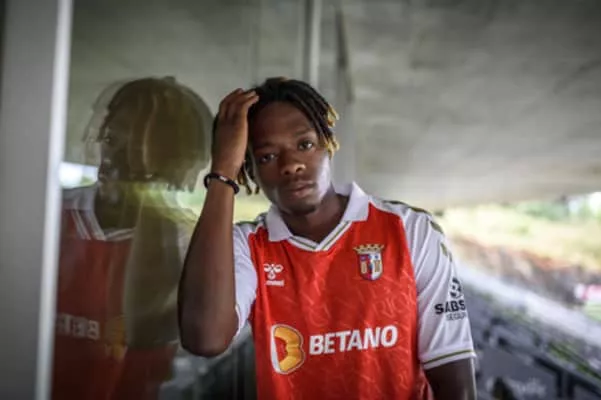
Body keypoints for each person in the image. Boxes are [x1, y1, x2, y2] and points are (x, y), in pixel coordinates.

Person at [179, 77, 477, 399]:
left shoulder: (409, 230)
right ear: (249, 168)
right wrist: (223, 173)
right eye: (266, 157)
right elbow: (205, 338)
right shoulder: (248, 247)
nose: (291, 165)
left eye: (305, 145)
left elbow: (454, 378)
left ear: (328, 143)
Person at [52, 76, 211, 400]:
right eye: (111, 140)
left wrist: (152, 194)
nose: (115, 158)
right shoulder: (51, 215)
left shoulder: (189, 242)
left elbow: (156, 328)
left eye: (141, 151)